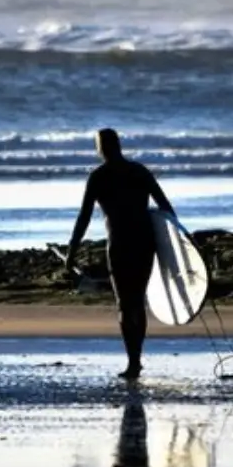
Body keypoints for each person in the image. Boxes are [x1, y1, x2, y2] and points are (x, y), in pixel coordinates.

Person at [66, 128, 174, 381]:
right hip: (146, 243)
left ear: (101, 148)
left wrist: (72, 250)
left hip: (120, 244)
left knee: (125, 305)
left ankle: (133, 362)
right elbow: (166, 209)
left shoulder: (99, 177)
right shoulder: (139, 171)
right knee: (137, 301)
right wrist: (174, 247)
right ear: (119, 145)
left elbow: (83, 217)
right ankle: (136, 360)